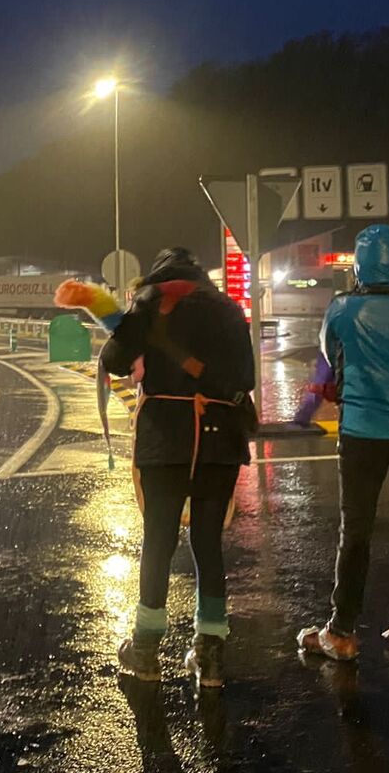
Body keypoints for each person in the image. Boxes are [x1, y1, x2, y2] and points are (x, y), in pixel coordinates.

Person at [103, 247, 255, 689]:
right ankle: (210, 653)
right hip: (219, 438)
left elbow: (114, 360)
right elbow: (245, 377)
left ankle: (146, 649)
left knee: (158, 541)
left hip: (165, 437)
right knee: (208, 542)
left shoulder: (151, 301)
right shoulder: (228, 307)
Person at [297, 223, 389, 662]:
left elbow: (331, 355)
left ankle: (342, 631)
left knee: (356, 530)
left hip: (364, 429)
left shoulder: (343, 309)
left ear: (361, 265)